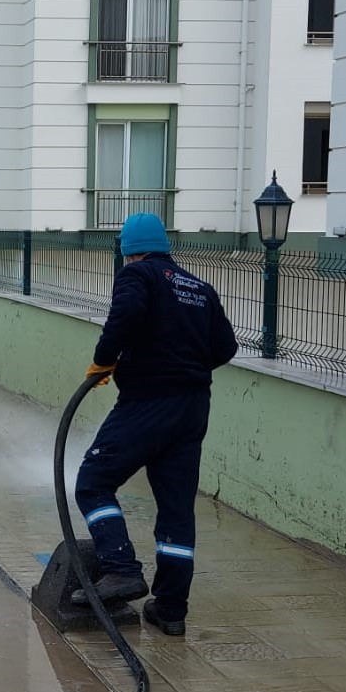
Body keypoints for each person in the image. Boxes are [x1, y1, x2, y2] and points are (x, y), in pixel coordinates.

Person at [71, 212, 238, 636]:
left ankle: (122, 567)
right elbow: (226, 347)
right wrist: (185, 366)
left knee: (92, 481)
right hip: (193, 407)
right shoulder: (200, 288)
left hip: (148, 403)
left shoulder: (138, 276)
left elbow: (123, 317)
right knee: (177, 509)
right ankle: (170, 610)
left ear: (128, 250)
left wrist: (104, 361)